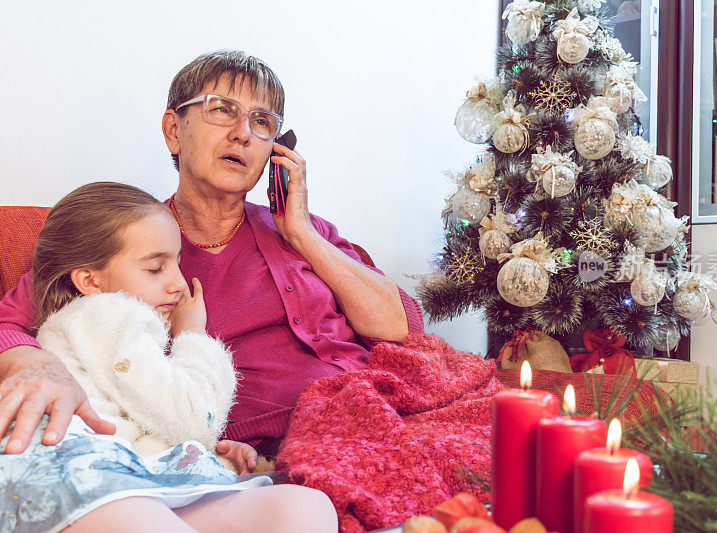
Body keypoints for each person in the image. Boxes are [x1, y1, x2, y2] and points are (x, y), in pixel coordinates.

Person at [0, 51, 422, 461]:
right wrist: (36, 363)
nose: (243, 133)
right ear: (173, 131)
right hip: (270, 448)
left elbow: (401, 329)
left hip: (375, 410)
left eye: (262, 122)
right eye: (222, 109)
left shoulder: (306, 231)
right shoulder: (131, 240)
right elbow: (11, 320)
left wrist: (301, 232)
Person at [0, 181, 337, 532]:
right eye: (155, 269)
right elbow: (193, 418)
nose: (178, 283)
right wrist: (192, 335)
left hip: (130, 471)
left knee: (301, 506)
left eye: (177, 263)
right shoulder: (110, 315)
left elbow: (142, 422)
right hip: (65, 468)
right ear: (89, 280)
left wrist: (204, 459)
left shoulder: (102, 328)